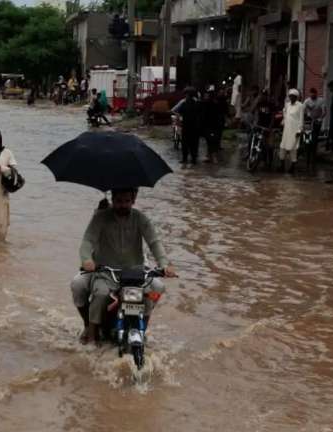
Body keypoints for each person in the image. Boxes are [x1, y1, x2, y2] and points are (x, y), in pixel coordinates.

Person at [70, 189, 177, 345]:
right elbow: (88, 241)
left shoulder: (140, 218)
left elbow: (154, 242)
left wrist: (164, 264)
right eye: (119, 201)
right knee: (99, 294)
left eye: (127, 201)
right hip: (106, 272)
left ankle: (142, 330)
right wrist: (86, 260)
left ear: (133, 201)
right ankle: (91, 332)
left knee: (153, 293)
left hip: (135, 272)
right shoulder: (100, 217)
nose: (123, 205)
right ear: (113, 200)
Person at [280, 88, 304, 172]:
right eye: (290, 96)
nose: (291, 98)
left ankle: (293, 166)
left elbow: (301, 119)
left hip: (294, 130)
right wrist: (283, 122)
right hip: (286, 130)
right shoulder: (287, 105)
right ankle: (282, 165)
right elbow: (285, 114)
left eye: (293, 96)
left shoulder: (300, 106)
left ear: (296, 97)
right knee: (282, 146)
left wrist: (299, 130)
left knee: (293, 148)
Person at [176, 87, 202, 165]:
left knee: (185, 143)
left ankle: (185, 159)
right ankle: (193, 159)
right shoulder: (198, 104)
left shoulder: (184, 104)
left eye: (186, 94)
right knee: (194, 143)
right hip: (195, 127)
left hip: (186, 126)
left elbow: (179, 112)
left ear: (187, 95)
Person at [201, 86, 228, 164]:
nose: (205, 96)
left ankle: (212, 156)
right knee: (211, 140)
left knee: (212, 140)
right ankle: (210, 156)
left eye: (206, 95)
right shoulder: (207, 103)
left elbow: (222, 113)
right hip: (212, 125)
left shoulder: (212, 104)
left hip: (213, 125)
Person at [303, 87, 326, 156]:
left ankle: (313, 152)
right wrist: (304, 118)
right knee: (307, 136)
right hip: (309, 120)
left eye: (314, 94)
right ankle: (307, 151)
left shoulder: (321, 100)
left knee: (314, 137)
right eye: (311, 94)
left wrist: (320, 119)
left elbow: (324, 111)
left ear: (316, 94)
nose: (312, 95)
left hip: (317, 120)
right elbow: (302, 111)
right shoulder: (307, 101)